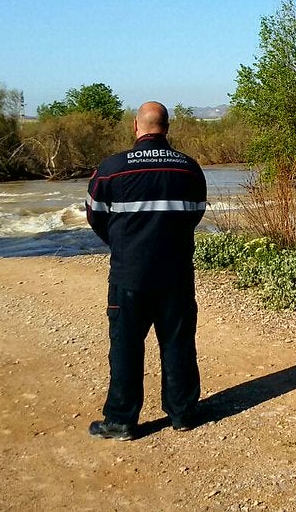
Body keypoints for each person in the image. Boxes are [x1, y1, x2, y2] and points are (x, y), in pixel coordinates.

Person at [85, 101, 208, 440]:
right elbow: (195, 213)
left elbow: (95, 215)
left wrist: (123, 242)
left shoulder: (112, 168)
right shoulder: (189, 168)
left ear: (135, 127)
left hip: (129, 275)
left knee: (125, 345)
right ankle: (183, 413)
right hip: (176, 273)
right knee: (178, 342)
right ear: (166, 128)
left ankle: (121, 421)